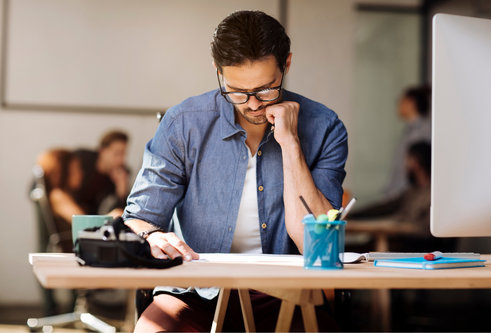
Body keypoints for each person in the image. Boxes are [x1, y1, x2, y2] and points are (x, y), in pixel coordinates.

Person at [124, 10, 348, 332]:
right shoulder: (183, 124)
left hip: (285, 295)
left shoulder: (325, 127)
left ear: (286, 64)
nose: (253, 104)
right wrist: (152, 235)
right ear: (218, 72)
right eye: (237, 92)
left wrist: (291, 144)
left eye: (266, 89)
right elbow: (137, 219)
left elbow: (316, 244)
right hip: (192, 292)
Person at [350, 142, 432, 241]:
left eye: (407, 159)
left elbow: (424, 230)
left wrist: (393, 227)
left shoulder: (431, 195)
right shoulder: (411, 192)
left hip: (410, 245)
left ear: (416, 161)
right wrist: (353, 215)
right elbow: (384, 208)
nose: (405, 164)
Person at [383, 85, 432, 199]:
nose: (398, 105)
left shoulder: (422, 131)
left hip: (408, 196)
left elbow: (416, 168)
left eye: (401, 101)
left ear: (411, 103)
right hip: (400, 194)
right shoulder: (409, 131)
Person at [36, 149, 86, 253]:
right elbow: (85, 223)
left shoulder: (63, 194)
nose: (81, 174)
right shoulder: (58, 195)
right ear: (63, 171)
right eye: (76, 169)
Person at [74, 130, 130, 216]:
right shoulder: (81, 158)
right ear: (102, 151)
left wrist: (121, 191)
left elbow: (119, 213)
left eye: (123, 154)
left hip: (91, 217)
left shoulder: (120, 175)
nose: (121, 159)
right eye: (117, 153)